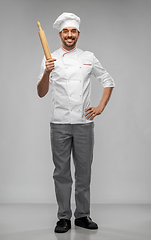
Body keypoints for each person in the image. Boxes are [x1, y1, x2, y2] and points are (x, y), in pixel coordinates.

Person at [37, 12, 115, 233]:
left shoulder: (88, 56)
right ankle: (63, 217)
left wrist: (100, 107)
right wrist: (46, 72)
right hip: (59, 123)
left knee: (83, 172)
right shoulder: (49, 58)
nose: (69, 35)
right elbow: (41, 92)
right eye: (65, 31)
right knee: (61, 172)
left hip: (83, 124)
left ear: (78, 34)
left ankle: (82, 215)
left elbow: (108, 80)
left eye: (73, 31)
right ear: (60, 34)